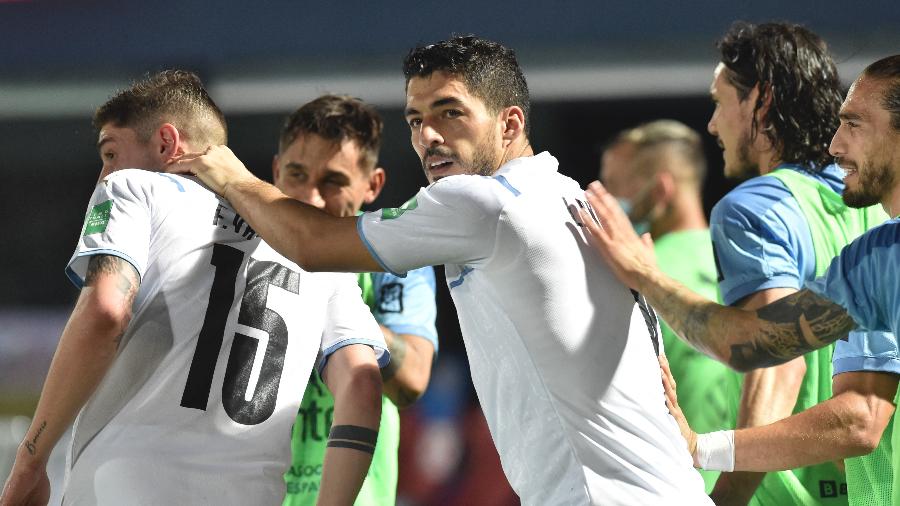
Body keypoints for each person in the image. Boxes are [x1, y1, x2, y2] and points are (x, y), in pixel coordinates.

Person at [170, 36, 712, 504]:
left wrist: (225, 171)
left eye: (450, 113)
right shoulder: (566, 196)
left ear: (510, 123)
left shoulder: (483, 203)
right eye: (415, 120)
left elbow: (311, 244)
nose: (428, 135)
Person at [0, 71, 387, 506]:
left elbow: (106, 311)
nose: (103, 173)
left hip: (124, 488)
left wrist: (32, 458)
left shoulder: (133, 187)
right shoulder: (324, 260)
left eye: (111, 152)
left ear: (167, 143)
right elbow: (362, 386)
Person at [580, 54, 900, 506]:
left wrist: (721, 483)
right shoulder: (873, 258)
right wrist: (701, 449)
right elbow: (764, 346)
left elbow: (788, 370)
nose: (835, 145)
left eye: (855, 125)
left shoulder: (761, 210)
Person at [702, 22, 888, 505]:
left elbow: (777, 364)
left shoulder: (753, 207)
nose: (712, 124)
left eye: (720, 102)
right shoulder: (875, 202)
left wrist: (726, 498)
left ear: (760, 100)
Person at [273, 95, 438, 506]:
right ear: (275, 172)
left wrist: (328, 294)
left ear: (372, 186)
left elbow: (412, 380)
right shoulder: (233, 262)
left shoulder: (395, 263)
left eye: (333, 181)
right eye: (296, 174)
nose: (311, 198)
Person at [600, 119, 739, 492]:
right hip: (754, 487)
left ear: (661, 188)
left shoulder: (631, 278)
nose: (606, 204)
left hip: (674, 487)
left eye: (613, 187)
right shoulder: (747, 265)